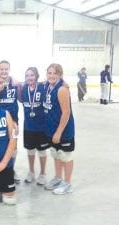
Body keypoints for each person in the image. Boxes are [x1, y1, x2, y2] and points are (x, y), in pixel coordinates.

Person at [43, 63, 75, 195]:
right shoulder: (47, 85)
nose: (51, 75)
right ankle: (58, 177)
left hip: (63, 131)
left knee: (65, 156)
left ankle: (67, 184)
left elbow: (66, 112)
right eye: (49, 73)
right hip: (51, 129)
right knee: (55, 154)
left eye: (55, 73)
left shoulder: (62, 89)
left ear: (60, 75)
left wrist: (59, 132)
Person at [0, 60, 21, 183]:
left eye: (6, 69)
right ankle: (1, 168)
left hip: (13, 119)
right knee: (1, 144)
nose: (4, 71)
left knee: (13, 144)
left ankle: (11, 169)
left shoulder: (15, 82)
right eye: (1, 69)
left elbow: (20, 98)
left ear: (9, 69)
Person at [22, 67, 49, 185]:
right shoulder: (23, 89)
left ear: (37, 76)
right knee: (30, 150)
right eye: (27, 75)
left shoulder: (43, 87)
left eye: (32, 75)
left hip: (41, 127)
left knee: (42, 151)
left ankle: (43, 173)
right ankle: (31, 172)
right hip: (28, 127)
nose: (29, 78)